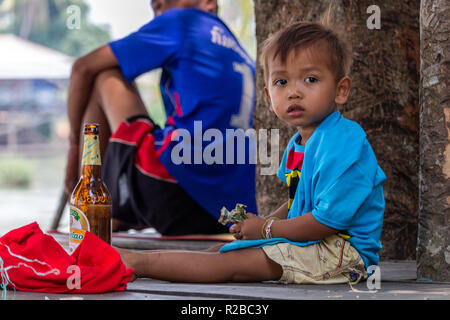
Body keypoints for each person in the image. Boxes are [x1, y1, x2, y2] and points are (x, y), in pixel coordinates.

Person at [117, 21, 386, 284]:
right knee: (224, 251)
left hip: (343, 254)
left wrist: (267, 229)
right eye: (282, 81)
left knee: (232, 263)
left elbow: (325, 221)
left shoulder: (344, 142)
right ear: (269, 98)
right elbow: (296, 204)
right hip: (316, 244)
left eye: (310, 79)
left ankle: (137, 262)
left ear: (341, 90)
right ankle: (141, 261)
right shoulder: (300, 142)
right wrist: (262, 224)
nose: (294, 92)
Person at [64, 0, 257, 235]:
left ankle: (90, 205)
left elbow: (82, 67)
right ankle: (120, 211)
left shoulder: (183, 21)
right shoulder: (238, 50)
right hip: (227, 212)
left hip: (173, 195)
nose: (158, 5)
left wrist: (74, 146)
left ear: (208, 2)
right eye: (154, 6)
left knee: (105, 74)